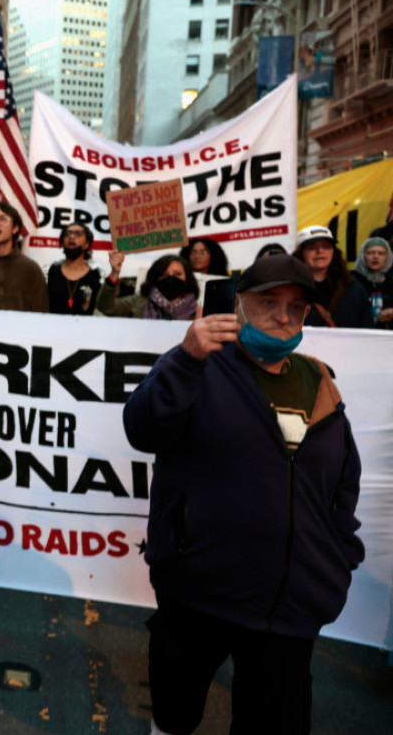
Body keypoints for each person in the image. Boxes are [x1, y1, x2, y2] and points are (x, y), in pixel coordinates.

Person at [123, 253, 364, 735]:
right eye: (268, 301)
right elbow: (142, 427)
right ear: (237, 305)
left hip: (290, 608)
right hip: (199, 594)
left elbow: (343, 481)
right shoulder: (199, 367)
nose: (283, 315)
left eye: (296, 308)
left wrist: (338, 555)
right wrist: (184, 359)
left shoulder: (319, 381)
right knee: (174, 713)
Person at [96, 253, 199, 320]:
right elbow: (106, 307)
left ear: (187, 278)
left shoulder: (196, 311)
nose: (171, 278)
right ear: (156, 277)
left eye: (177, 274)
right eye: (165, 274)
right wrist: (115, 273)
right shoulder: (140, 300)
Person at [291, 225, 354, 327]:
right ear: (301, 253)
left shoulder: (353, 288)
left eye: (326, 247)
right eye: (312, 247)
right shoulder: (288, 288)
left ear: (334, 252)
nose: (320, 251)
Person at [46, 223, 101, 315]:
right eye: (68, 233)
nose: (71, 237)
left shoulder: (97, 275)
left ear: (86, 244)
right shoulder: (50, 271)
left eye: (78, 234)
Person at [343, 236, 393, 329]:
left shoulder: (391, 280)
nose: (375, 257)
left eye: (381, 253)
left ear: (388, 257)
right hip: (359, 335)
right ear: (362, 255)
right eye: (370, 253)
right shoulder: (350, 281)